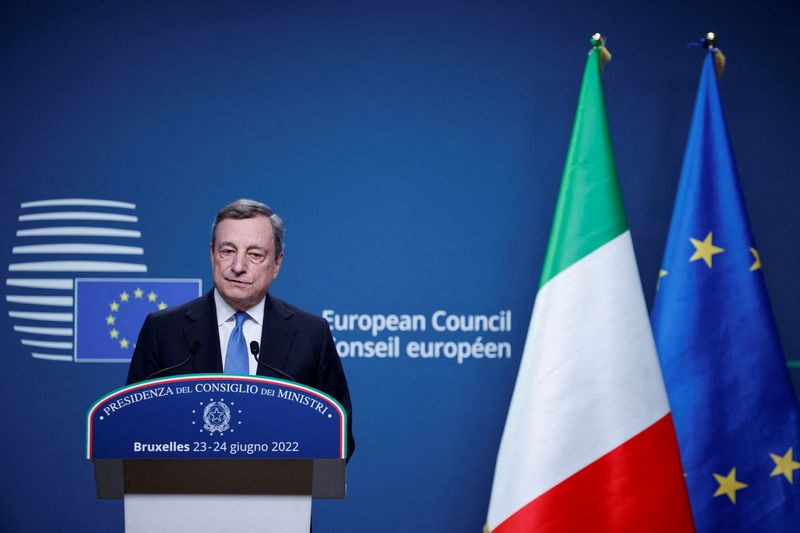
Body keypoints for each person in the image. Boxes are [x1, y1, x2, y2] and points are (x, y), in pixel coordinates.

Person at [126, 198, 354, 458]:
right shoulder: (163, 330)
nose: (238, 266)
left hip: (278, 493)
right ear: (212, 254)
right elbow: (133, 424)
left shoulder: (311, 334)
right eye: (227, 251)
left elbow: (339, 435)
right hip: (183, 492)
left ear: (277, 263)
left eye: (255, 254)